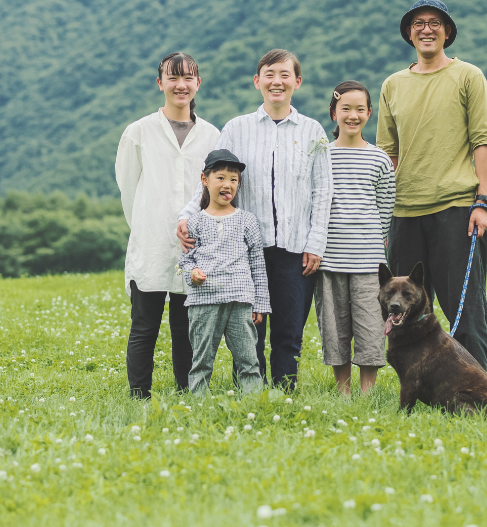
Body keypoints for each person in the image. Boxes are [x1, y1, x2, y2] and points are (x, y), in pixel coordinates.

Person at [178, 49, 332, 390]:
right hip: (245, 250)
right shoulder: (237, 129)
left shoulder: (312, 131)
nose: (277, 81)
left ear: (297, 82)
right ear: (257, 81)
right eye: (269, 74)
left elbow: (323, 191)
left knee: (289, 330)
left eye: (285, 75)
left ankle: (284, 394)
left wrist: (315, 243)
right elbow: (213, 178)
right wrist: (188, 215)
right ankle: (250, 394)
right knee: (248, 329)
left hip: (296, 247)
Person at [376, 0, 487, 370]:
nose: (426, 29)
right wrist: (383, 217)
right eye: (418, 24)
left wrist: (482, 202)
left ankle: (476, 384)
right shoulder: (393, 85)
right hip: (404, 209)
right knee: (406, 305)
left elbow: (483, 141)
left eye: (434, 23)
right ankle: (418, 380)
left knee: (464, 305)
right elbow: (388, 155)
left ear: (447, 32)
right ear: (408, 34)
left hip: (456, 208)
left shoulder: (468, 76)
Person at [115, 51, 221, 398]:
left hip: (195, 245)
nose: (180, 85)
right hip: (152, 241)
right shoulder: (139, 132)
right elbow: (128, 189)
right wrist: (149, 225)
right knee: (144, 325)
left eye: (187, 78)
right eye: (172, 78)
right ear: (160, 83)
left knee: (187, 326)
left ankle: (187, 390)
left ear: (198, 84)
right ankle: (138, 393)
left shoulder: (211, 135)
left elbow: (215, 190)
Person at [314, 81, 396, 396]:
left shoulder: (380, 160)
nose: (353, 115)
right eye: (345, 109)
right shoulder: (321, 156)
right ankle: (343, 391)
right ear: (333, 112)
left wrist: (380, 242)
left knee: (371, 327)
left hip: (369, 261)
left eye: (360, 109)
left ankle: (367, 393)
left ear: (369, 113)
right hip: (330, 258)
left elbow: (386, 206)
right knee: (334, 328)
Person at [179, 149, 270, 394]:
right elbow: (185, 262)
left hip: (240, 301)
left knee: (248, 360)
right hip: (204, 301)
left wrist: (260, 303)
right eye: (220, 177)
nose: (227, 184)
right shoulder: (195, 222)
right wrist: (193, 274)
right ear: (204, 180)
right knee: (201, 360)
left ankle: (254, 402)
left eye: (233, 179)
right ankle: (197, 403)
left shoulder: (247, 220)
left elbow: (258, 265)